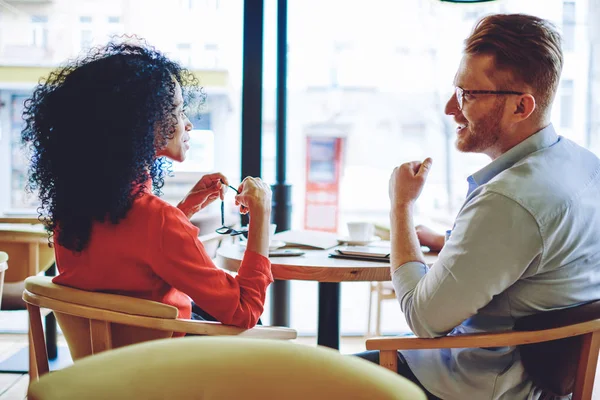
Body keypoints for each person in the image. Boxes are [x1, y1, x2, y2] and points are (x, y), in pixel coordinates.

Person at [358, 13, 600, 400]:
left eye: (468, 95)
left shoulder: (508, 201)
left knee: (302, 376)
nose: (451, 109)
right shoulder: (586, 167)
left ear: (521, 107)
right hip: (544, 386)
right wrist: (450, 241)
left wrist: (401, 206)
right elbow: (536, 258)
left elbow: (423, 319)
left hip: (476, 385)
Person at [21, 41, 273, 331]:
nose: (188, 124)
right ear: (140, 123)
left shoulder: (73, 212)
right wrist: (262, 214)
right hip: (165, 368)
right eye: (177, 110)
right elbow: (244, 311)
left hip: (106, 368)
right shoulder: (158, 221)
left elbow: (131, 260)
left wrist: (184, 210)